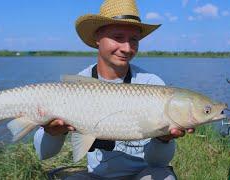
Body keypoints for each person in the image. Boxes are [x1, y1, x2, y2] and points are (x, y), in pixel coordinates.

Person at [34, 0, 194, 179]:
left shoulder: (152, 84)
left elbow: (158, 163)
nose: (126, 48)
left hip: (142, 174)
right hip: (96, 176)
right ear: (97, 38)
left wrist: (163, 139)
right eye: (118, 37)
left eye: (134, 40)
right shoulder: (76, 87)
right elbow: (44, 154)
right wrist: (53, 133)